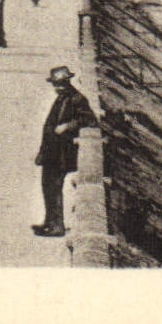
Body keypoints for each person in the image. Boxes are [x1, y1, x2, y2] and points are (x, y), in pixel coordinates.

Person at [33, 64, 96, 237]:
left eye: (61, 84)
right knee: (47, 186)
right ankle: (50, 221)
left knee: (54, 187)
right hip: (51, 150)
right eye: (55, 85)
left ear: (68, 82)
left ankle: (57, 226)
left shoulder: (76, 99)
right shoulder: (62, 98)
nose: (58, 88)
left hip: (61, 152)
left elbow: (89, 120)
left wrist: (68, 126)